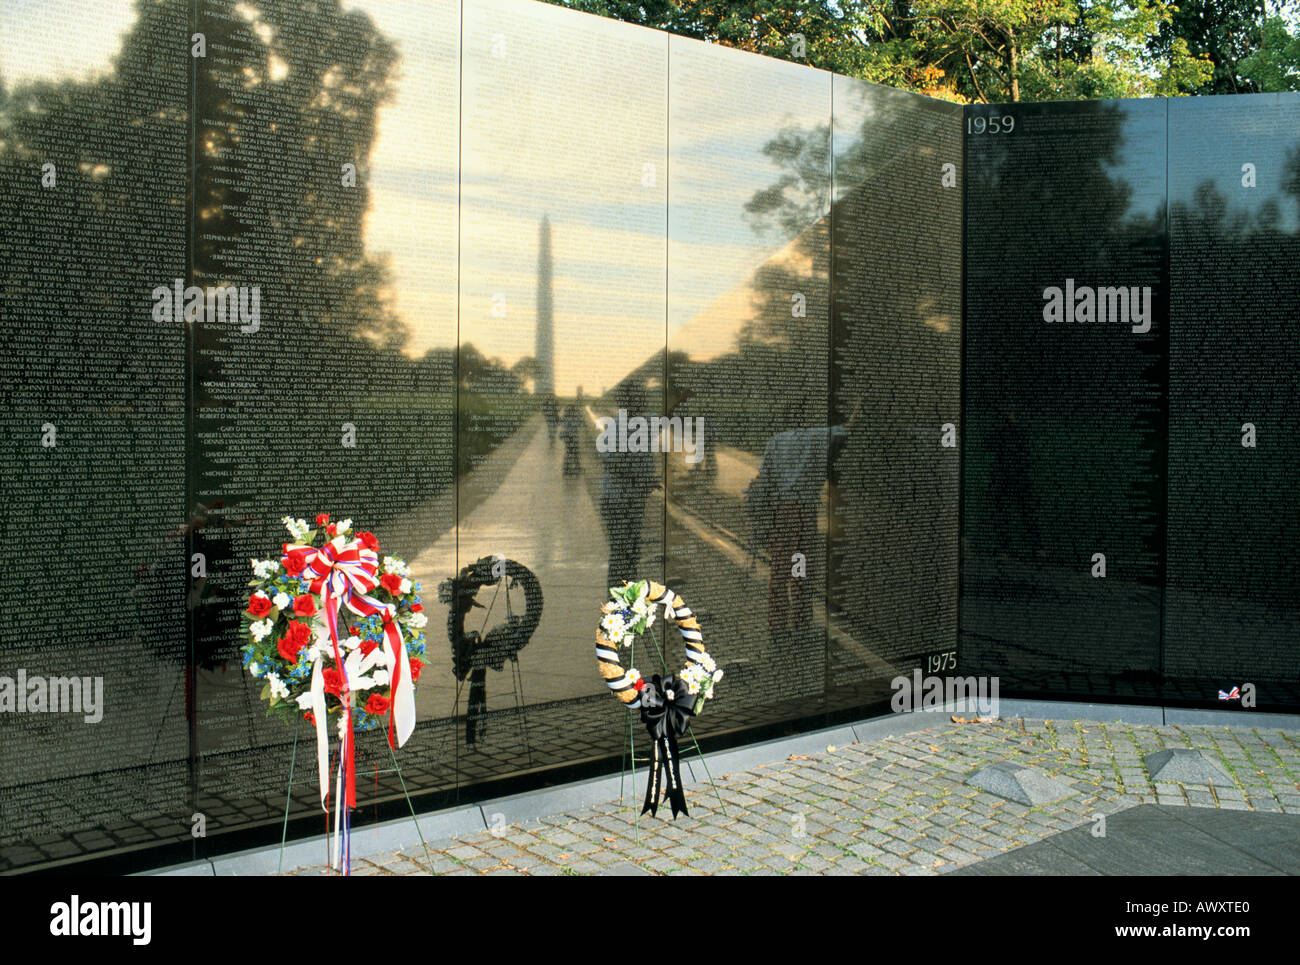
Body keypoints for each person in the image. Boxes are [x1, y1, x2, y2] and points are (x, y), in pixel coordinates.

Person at [598, 381, 657, 589]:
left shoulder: (644, 421)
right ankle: (617, 604)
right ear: (628, 401)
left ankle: (626, 600)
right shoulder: (617, 426)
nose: (645, 399)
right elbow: (610, 462)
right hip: (617, 502)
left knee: (631, 553)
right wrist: (640, 480)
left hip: (632, 501)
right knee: (622, 554)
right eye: (640, 395)